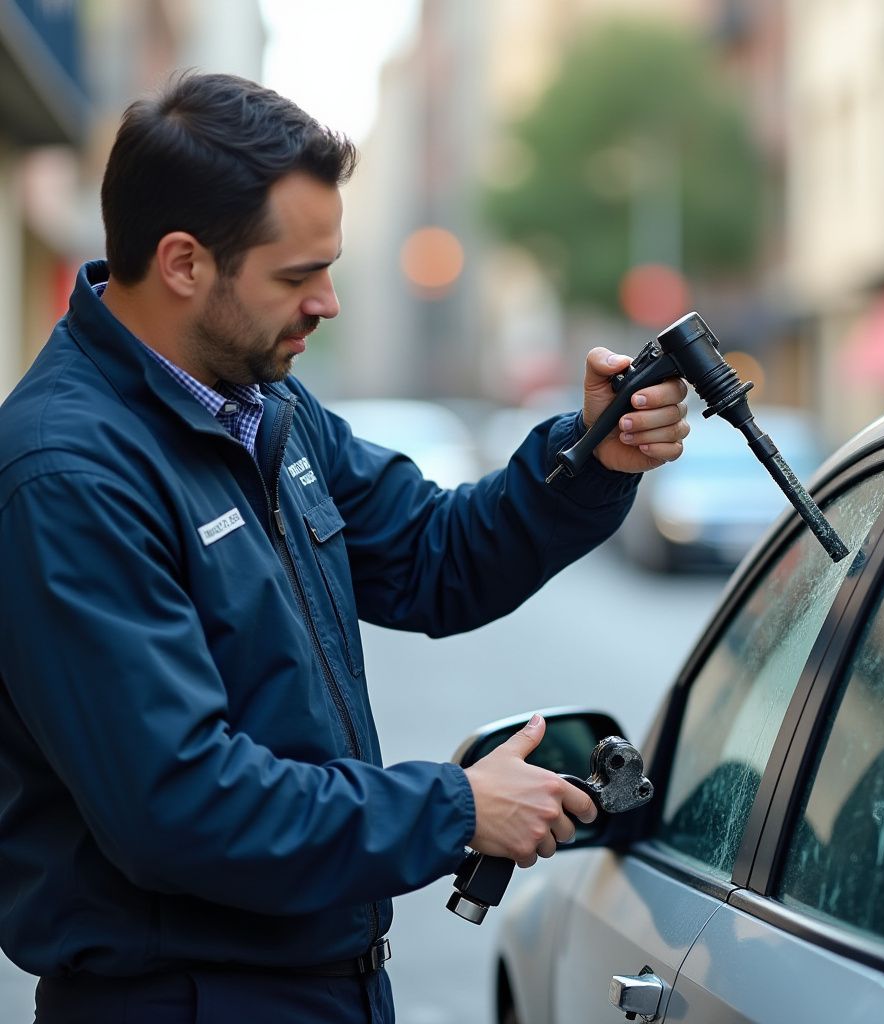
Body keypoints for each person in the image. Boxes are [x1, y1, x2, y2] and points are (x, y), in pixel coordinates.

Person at [0, 72, 688, 1024]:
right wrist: (454, 809)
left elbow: (433, 557)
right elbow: (178, 802)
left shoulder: (266, 409)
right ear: (184, 262)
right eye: (295, 275)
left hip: (326, 987)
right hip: (188, 1003)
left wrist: (588, 456)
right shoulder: (68, 475)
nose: (328, 302)